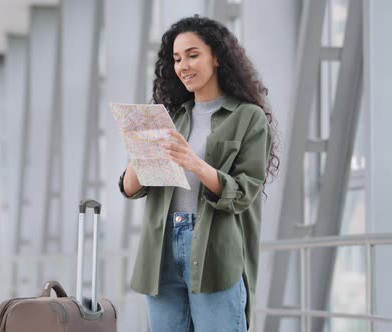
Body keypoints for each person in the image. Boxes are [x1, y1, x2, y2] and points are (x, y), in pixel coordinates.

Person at [118, 15, 279, 331]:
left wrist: (195, 163)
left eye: (193, 55)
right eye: (177, 59)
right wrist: (142, 149)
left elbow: (245, 191)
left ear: (217, 57)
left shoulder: (248, 117)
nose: (183, 66)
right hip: (161, 249)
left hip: (215, 250)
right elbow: (129, 188)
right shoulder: (172, 117)